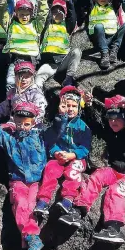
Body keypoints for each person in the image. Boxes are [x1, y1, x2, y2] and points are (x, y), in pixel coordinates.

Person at [59, 93, 125, 244]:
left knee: (115, 190)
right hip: (113, 171)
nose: (112, 122)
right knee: (97, 176)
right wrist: (89, 105)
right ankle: (78, 211)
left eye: (117, 118)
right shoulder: (111, 133)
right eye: (110, 119)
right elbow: (95, 125)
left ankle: (113, 228)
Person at [0, 97, 47, 250]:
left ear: (33, 123)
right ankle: (32, 240)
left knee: (32, 209)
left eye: (26, 124)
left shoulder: (40, 137)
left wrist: (62, 116)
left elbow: (56, 131)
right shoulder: (10, 140)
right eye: (19, 123)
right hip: (17, 181)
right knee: (20, 204)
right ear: (14, 121)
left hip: (35, 181)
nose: (22, 127)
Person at [34, 86, 91, 215]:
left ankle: (68, 199)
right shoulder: (57, 122)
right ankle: (43, 201)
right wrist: (55, 152)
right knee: (50, 168)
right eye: (67, 105)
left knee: (74, 171)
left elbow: (85, 148)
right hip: (58, 157)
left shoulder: (84, 127)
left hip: (76, 158)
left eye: (74, 106)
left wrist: (72, 155)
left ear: (79, 108)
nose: (70, 109)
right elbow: (50, 140)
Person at [36, 0, 81, 88]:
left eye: (61, 11)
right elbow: (45, 14)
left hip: (63, 62)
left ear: (65, 14)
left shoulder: (67, 26)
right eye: (55, 11)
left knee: (77, 51)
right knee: (38, 79)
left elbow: (72, 15)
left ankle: (69, 79)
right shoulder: (47, 25)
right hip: (49, 64)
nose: (58, 13)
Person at [87, 0, 125, 70]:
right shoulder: (92, 7)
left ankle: (114, 50)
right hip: (99, 39)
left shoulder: (113, 7)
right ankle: (104, 54)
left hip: (112, 37)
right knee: (98, 26)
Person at [2, 0, 42, 91]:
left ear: (31, 14)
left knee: (28, 82)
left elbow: (42, 15)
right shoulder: (11, 24)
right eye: (22, 14)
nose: (24, 17)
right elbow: (3, 15)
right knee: (10, 80)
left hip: (30, 59)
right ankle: (10, 101)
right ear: (16, 14)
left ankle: (26, 102)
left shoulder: (36, 25)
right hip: (15, 58)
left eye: (27, 14)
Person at [0, 61, 47, 126]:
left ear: (32, 78)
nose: (23, 79)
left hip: (30, 126)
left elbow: (40, 113)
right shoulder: (12, 92)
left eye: (27, 77)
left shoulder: (36, 94)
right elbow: (4, 107)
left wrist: (28, 125)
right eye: (20, 77)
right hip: (13, 123)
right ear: (15, 77)